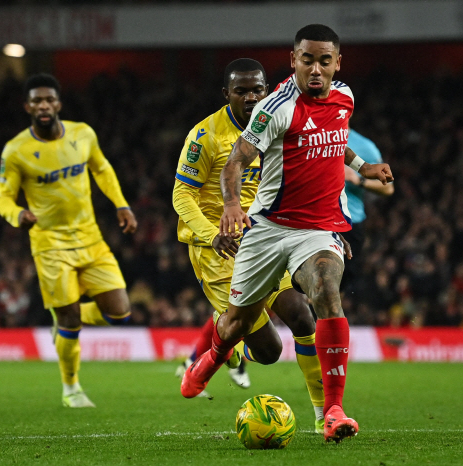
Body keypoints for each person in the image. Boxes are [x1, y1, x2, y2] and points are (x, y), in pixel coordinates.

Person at [181, 24, 393, 444]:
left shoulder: (345, 97)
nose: (316, 69)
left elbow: (335, 139)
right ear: (293, 59)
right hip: (268, 229)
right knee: (239, 324)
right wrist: (229, 206)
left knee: (325, 293)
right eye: (307, 60)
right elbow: (236, 162)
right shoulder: (275, 107)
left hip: (316, 229)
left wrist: (361, 167)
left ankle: (331, 411)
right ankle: (211, 358)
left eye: (325, 60)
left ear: (337, 63)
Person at [172, 58, 330, 433]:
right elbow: (182, 195)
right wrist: (213, 235)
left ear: (266, 89)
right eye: (241, 91)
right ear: (226, 94)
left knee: (303, 315)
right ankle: (214, 353)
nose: (251, 97)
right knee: (269, 352)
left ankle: (325, 414)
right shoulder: (204, 135)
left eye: (257, 89)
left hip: (264, 241)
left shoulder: (275, 125)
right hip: (218, 251)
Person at [0, 73, 138, 408]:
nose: (43, 106)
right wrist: (16, 215)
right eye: (36, 101)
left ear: (58, 103)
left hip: (90, 238)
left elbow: (102, 169)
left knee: (121, 313)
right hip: (50, 245)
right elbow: (2, 196)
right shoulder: (16, 150)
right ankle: (71, 388)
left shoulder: (82, 133)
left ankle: (62, 318)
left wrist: (121, 204)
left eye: (48, 100)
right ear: (27, 106)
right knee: (71, 321)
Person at [341, 129, 394, 296]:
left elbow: (388, 187)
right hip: (316, 220)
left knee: (337, 290)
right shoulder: (313, 135)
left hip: (350, 224)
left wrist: (359, 180)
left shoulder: (365, 147)